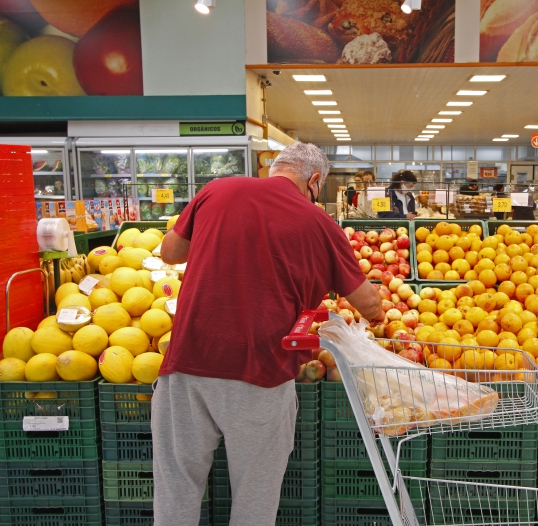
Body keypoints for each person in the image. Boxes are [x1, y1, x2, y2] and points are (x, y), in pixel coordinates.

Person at [154, 142, 385, 526]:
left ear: (274, 168)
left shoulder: (217, 190)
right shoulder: (319, 223)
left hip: (186, 365)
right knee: (254, 498)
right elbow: (371, 305)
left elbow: (170, 252)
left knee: (177, 488)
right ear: (314, 181)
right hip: (260, 374)